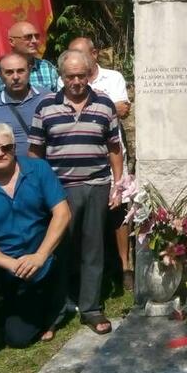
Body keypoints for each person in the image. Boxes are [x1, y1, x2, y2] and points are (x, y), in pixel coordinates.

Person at [0, 123, 70, 373]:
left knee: (18, 338)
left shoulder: (38, 170)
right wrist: (10, 263)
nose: (0, 153)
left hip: (37, 259)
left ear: (14, 147)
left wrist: (40, 256)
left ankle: (30, 306)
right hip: (0, 262)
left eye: (6, 147)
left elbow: (62, 213)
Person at [28, 50, 123, 335]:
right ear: (62, 76)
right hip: (60, 188)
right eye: (71, 76)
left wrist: (117, 185)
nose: (77, 81)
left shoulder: (104, 104)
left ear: (89, 74)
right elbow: (35, 152)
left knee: (93, 248)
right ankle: (58, 308)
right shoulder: (45, 106)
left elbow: (114, 148)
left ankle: (91, 307)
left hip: (96, 184)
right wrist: (39, 189)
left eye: (82, 75)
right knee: (59, 248)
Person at [67, 37, 133, 292]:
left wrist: (89, 107)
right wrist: (104, 106)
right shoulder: (68, 79)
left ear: (94, 54)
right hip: (80, 154)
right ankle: (84, 270)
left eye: (82, 54)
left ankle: (124, 266)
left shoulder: (112, 77)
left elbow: (122, 109)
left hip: (112, 150)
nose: (77, 60)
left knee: (119, 207)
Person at [0, 53, 43, 168]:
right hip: (7, 174)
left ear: (30, 70)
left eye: (20, 71)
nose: (15, 77)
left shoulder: (47, 98)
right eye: (9, 72)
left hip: (45, 172)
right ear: (0, 75)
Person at [0, 21, 60, 102]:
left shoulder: (47, 68)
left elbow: (58, 100)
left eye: (36, 36)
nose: (34, 41)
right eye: (28, 37)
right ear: (12, 41)